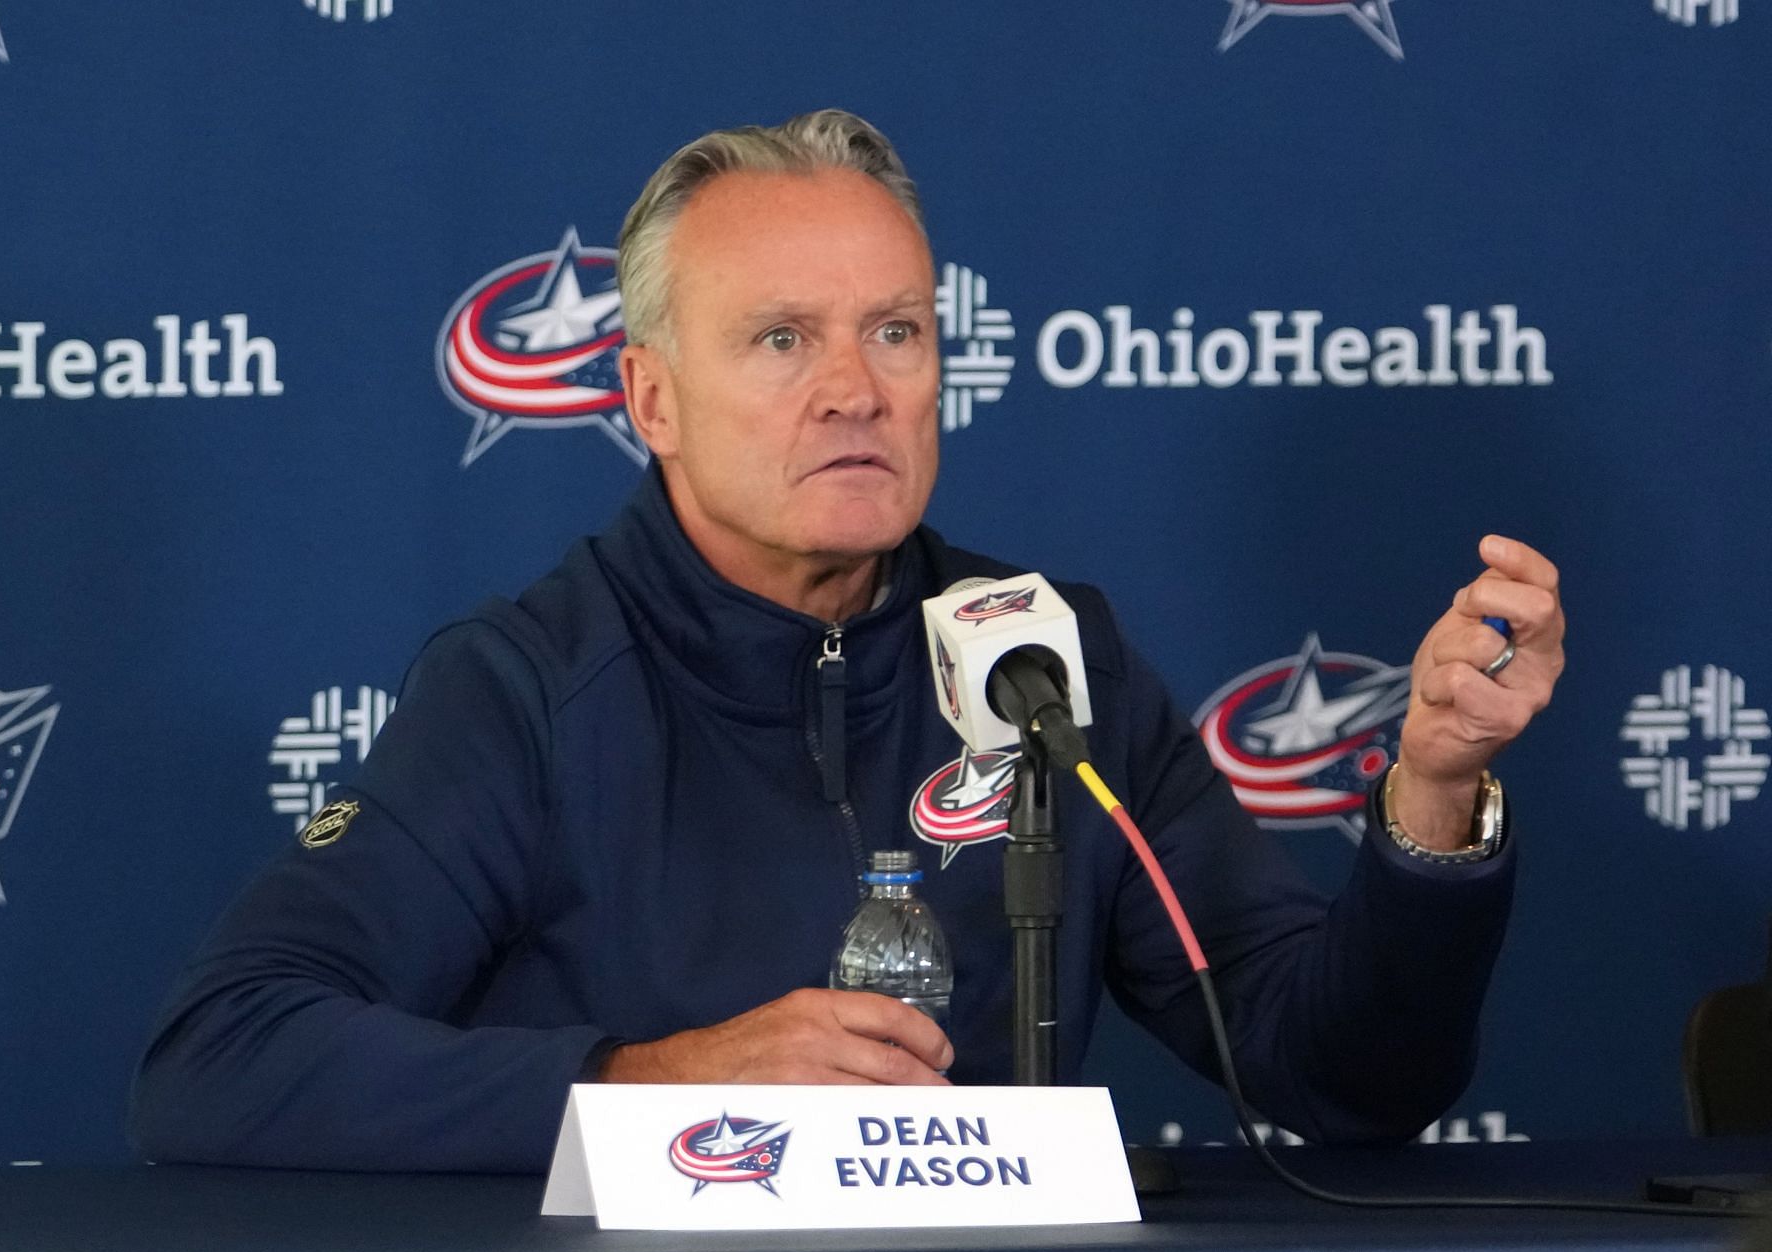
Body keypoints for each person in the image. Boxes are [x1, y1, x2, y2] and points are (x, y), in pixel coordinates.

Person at [129, 110, 1566, 1173]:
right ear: (651, 398)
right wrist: (652, 1084)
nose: (853, 391)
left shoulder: (1050, 657)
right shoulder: (530, 688)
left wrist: (1432, 801)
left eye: (895, 330)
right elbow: (220, 1062)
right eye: (779, 340)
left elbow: (1344, 1079)